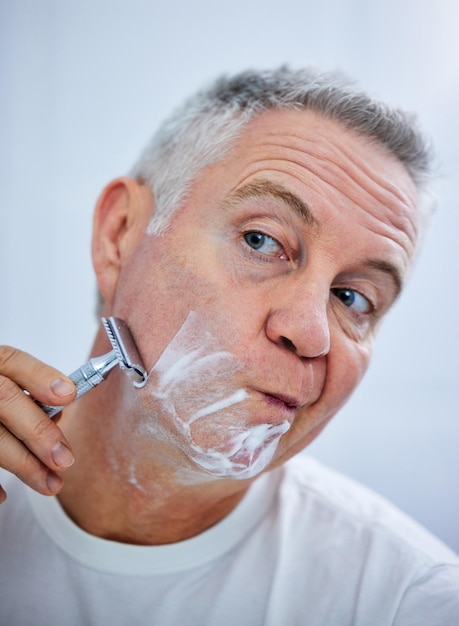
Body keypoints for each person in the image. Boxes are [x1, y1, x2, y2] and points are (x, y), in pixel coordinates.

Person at [0, 67, 458, 625]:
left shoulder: (408, 601)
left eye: (353, 298)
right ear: (120, 233)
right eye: (261, 240)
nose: (311, 332)